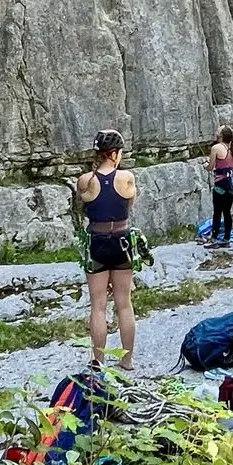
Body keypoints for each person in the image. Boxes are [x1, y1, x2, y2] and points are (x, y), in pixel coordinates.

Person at [75, 128, 138, 370]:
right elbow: (130, 203)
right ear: (114, 153)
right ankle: (127, 360)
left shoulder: (84, 180)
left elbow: (84, 205)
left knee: (98, 305)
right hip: (121, 240)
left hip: (96, 242)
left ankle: (98, 361)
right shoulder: (127, 177)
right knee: (124, 303)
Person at [208, 126, 233, 246]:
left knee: (217, 212)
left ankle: (214, 237)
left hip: (220, 185)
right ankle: (227, 237)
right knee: (227, 211)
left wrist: (206, 165)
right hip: (231, 185)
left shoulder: (216, 148)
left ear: (221, 135)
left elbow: (211, 167)